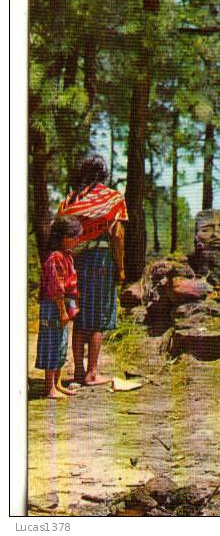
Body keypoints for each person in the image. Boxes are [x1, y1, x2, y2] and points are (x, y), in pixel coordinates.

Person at [58, 154, 128, 386]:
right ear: (104, 174)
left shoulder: (70, 200)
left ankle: (78, 371)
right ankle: (92, 373)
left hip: (75, 262)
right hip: (101, 261)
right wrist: (120, 269)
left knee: (79, 316)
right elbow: (117, 235)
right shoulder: (112, 199)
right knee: (98, 317)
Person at [36, 216, 83, 399]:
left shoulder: (67, 255)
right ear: (64, 237)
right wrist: (63, 311)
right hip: (55, 305)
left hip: (63, 305)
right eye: (74, 237)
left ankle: (57, 383)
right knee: (52, 343)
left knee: (61, 344)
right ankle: (49, 387)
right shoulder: (55, 257)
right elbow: (56, 288)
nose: (77, 240)